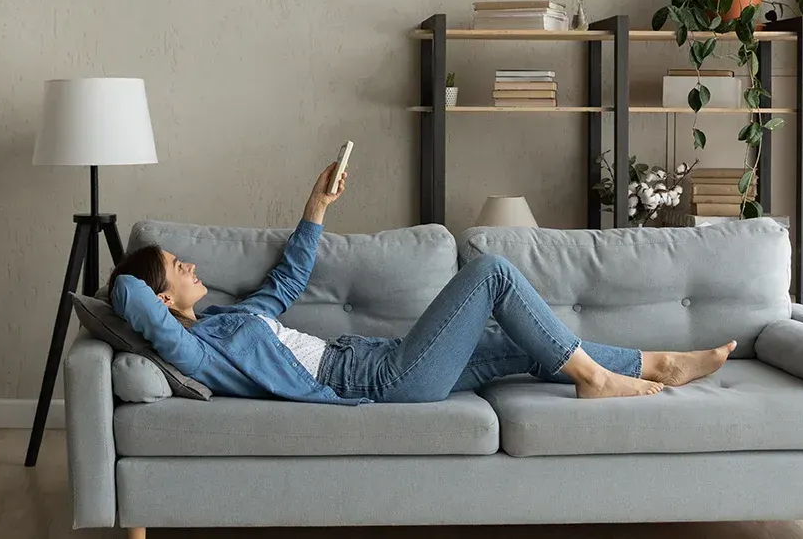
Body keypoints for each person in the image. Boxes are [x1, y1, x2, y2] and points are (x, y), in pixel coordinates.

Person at [108, 163, 737, 404]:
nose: (191, 266)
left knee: (521, 343)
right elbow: (127, 295)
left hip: (377, 359)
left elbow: (288, 277)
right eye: (176, 267)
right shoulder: (194, 349)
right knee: (491, 274)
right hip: (374, 381)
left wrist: (316, 205)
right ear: (162, 300)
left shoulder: (228, 320)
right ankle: (599, 380)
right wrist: (128, 280)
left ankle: (658, 363)